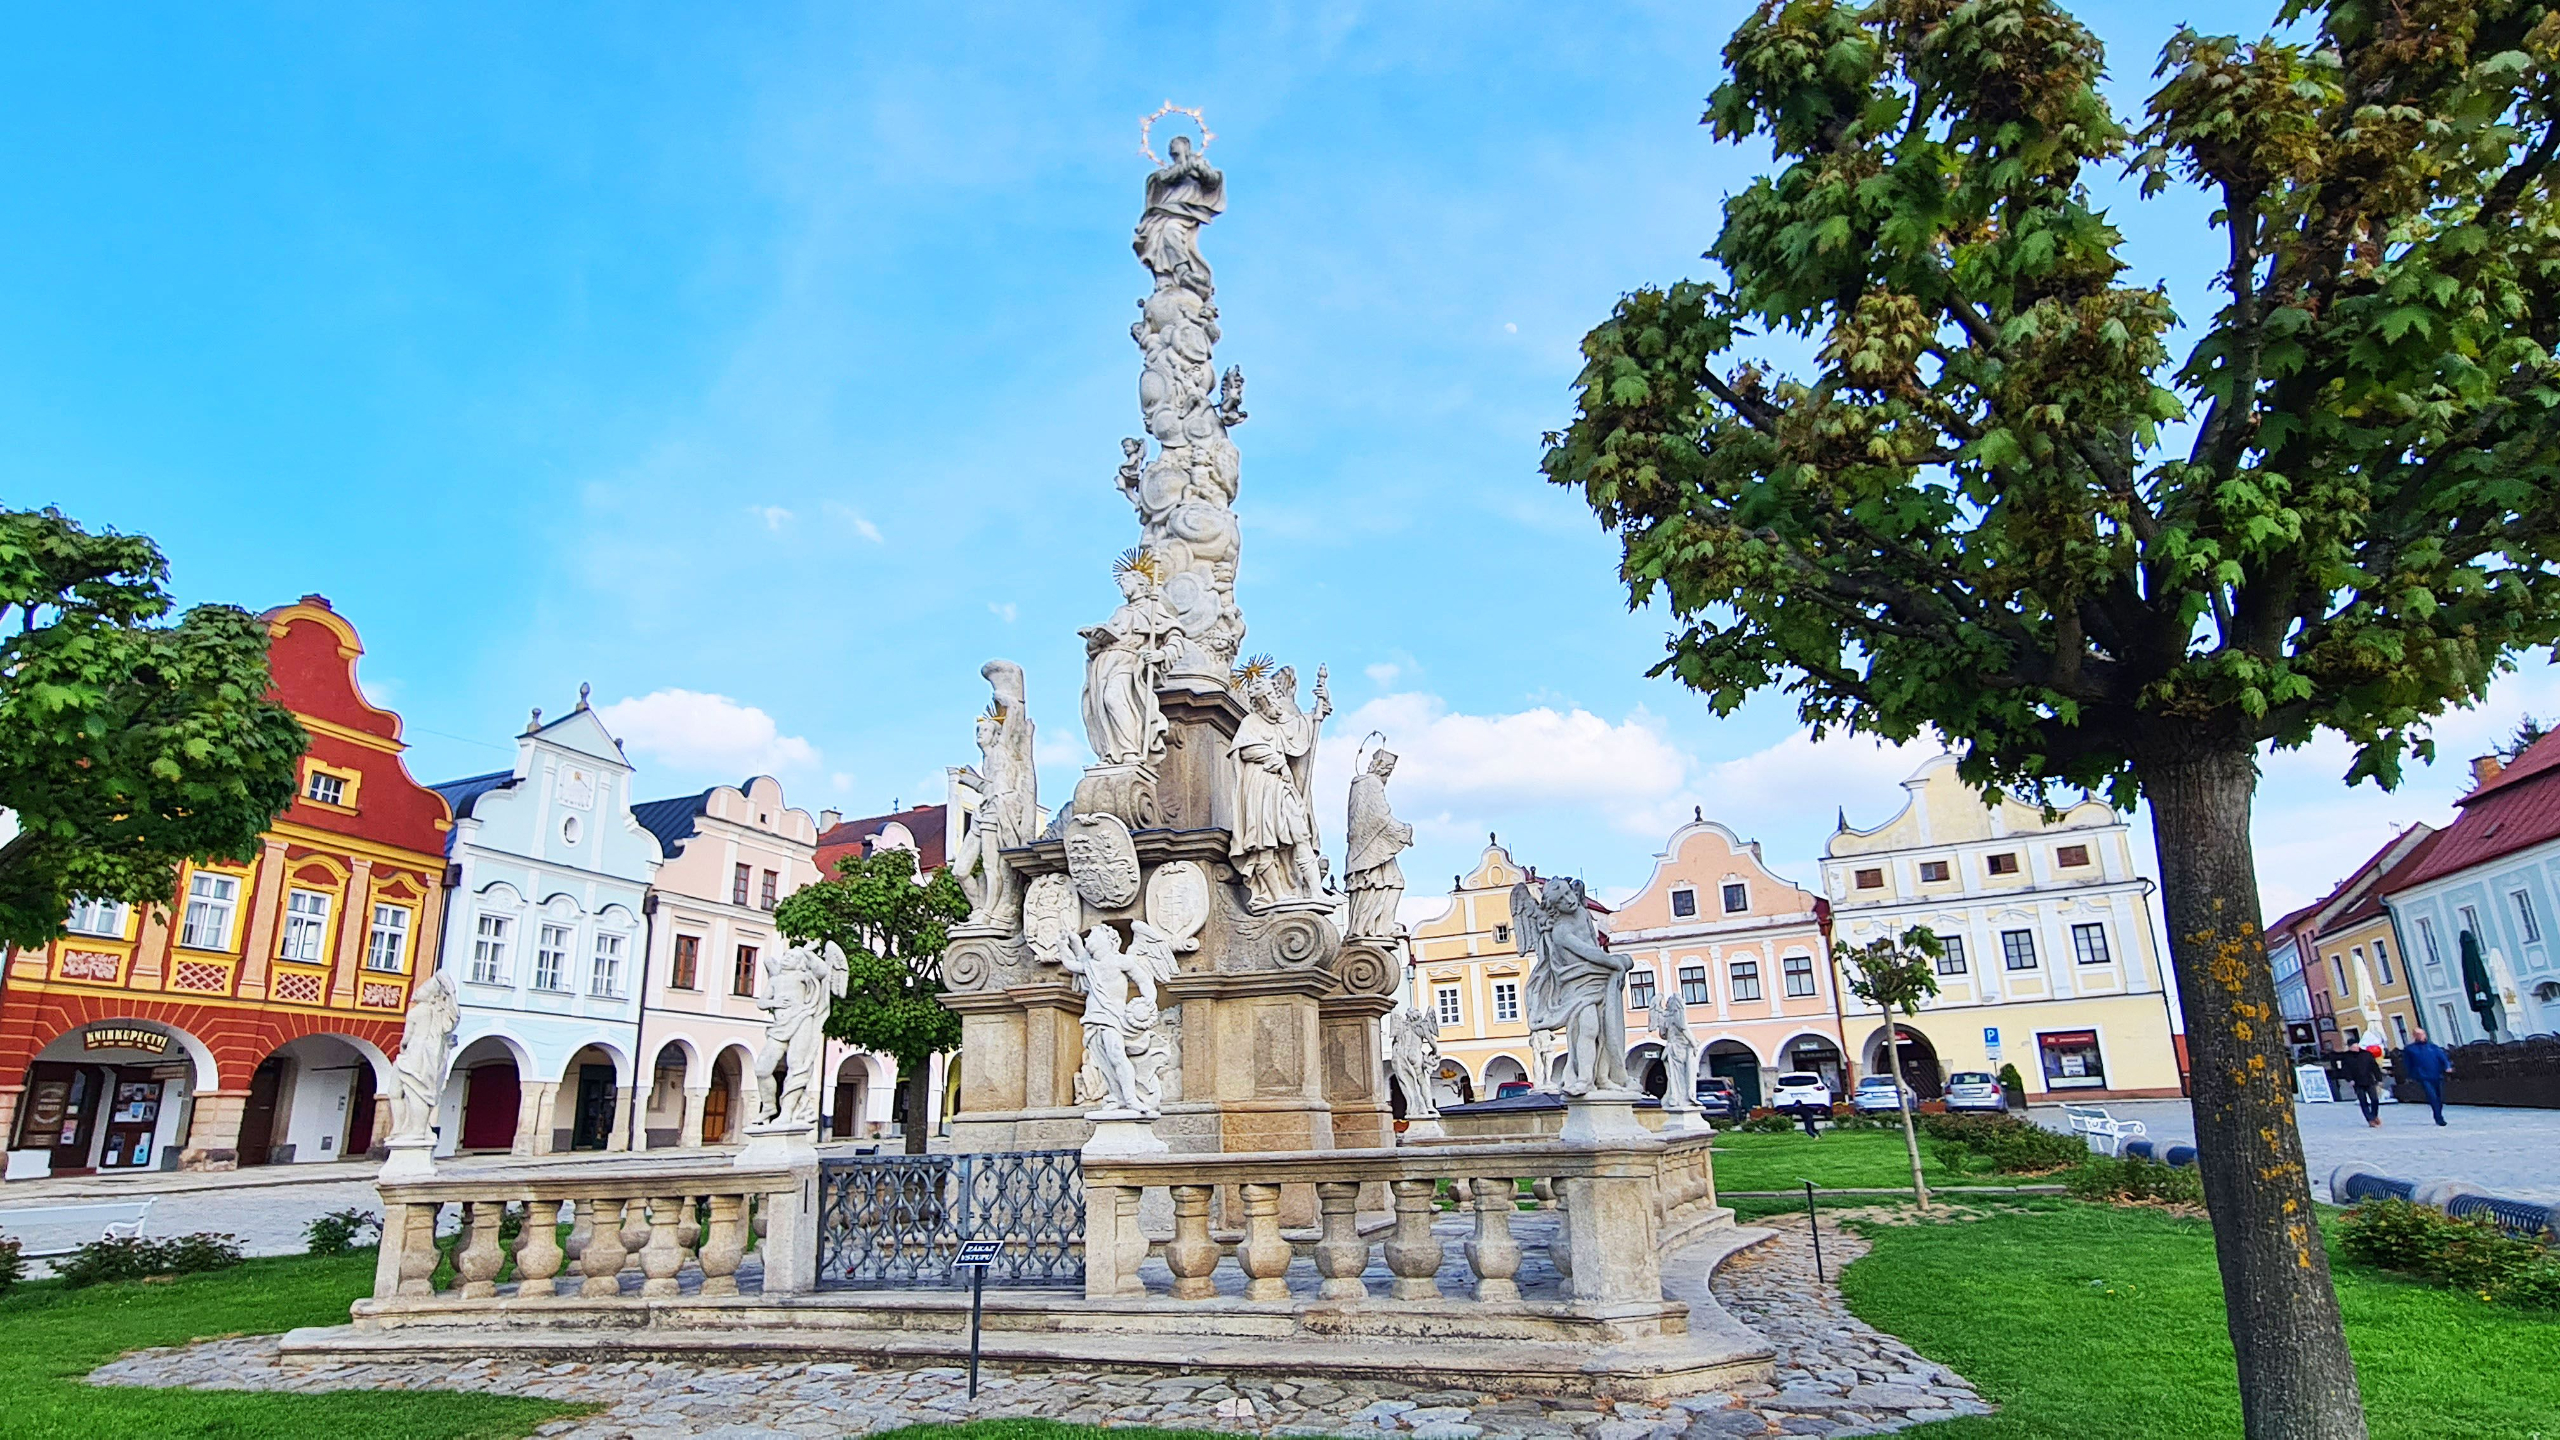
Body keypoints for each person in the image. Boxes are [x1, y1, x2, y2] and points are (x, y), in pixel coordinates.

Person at [2400, 1029, 2454, 1125]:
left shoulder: (2433, 1047)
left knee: (2440, 1097)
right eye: (2418, 1034)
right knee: (2432, 1096)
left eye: (2422, 1034)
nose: (2421, 1036)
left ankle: (2438, 1113)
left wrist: (2447, 1066)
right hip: (2423, 1076)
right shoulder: (2410, 1049)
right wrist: (2411, 1075)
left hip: (2437, 1075)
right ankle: (2439, 1117)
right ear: (2414, 1036)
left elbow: (2443, 1058)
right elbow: (2408, 1063)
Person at [2340, 1043, 2385, 1127]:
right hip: (2357, 1082)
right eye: (2353, 1047)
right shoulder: (2346, 1057)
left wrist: (2379, 1079)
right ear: (2350, 1047)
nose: (2355, 1048)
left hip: (2369, 1080)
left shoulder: (2366, 1054)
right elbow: (2345, 1070)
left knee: (2374, 1099)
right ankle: (2370, 1119)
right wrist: (2350, 1079)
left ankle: (2374, 1115)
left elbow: (2374, 1067)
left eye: (2356, 1046)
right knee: (2363, 1101)